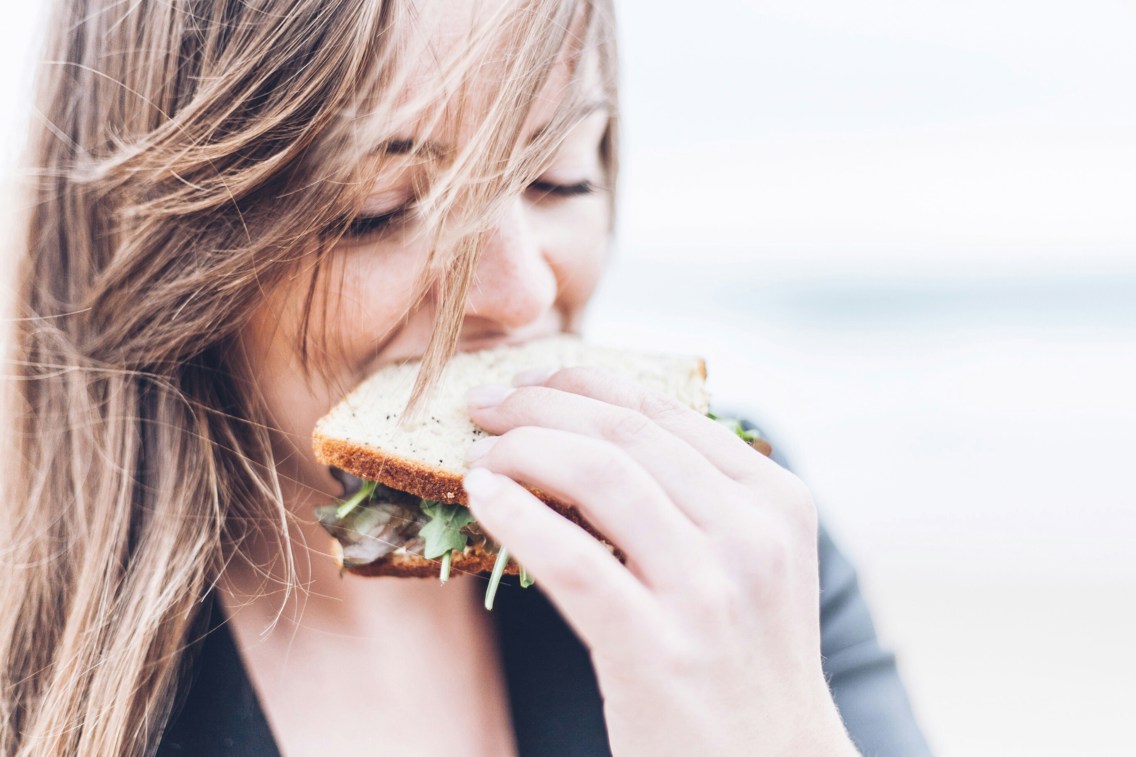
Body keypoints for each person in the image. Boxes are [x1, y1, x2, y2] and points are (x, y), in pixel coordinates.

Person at [0, 1, 931, 755]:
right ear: (167, 248)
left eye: (560, 179)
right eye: (383, 209)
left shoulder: (732, 545)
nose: (525, 291)